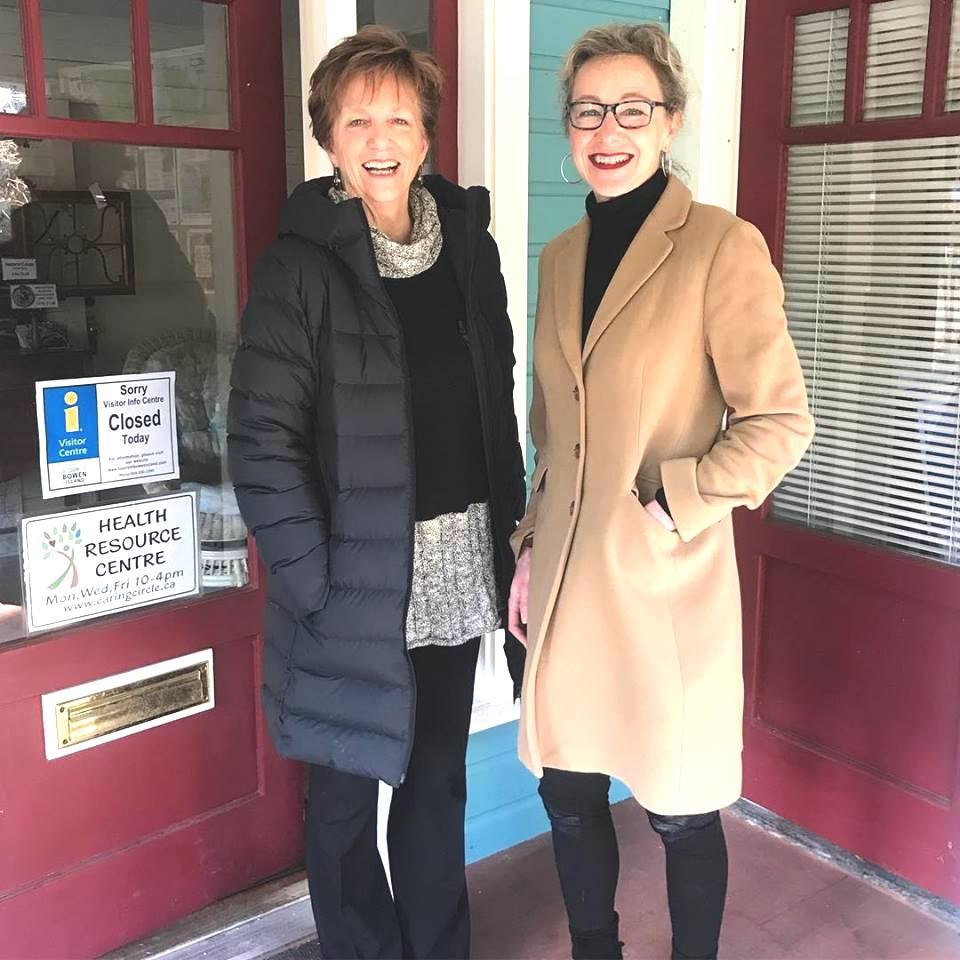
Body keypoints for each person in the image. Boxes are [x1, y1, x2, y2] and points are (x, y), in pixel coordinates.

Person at [507, 23, 814, 960]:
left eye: (632, 108)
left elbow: (779, 424)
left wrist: (672, 504)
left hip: (662, 584)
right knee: (566, 792)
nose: (609, 129)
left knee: (680, 812)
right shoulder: (560, 257)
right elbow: (551, 433)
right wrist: (526, 550)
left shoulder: (721, 248)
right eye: (589, 110)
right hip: (564, 584)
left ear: (670, 121)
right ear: (569, 129)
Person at [227, 26, 526, 960]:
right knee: (347, 803)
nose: (381, 135)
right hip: (347, 582)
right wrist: (314, 583)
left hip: (453, 566)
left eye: (400, 115)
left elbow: (497, 406)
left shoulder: (469, 250)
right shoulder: (299, 268)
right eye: (358, 118)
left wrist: (512, 537)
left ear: (428, 133)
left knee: (436, 787)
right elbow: (261, 443)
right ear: (329, 139)